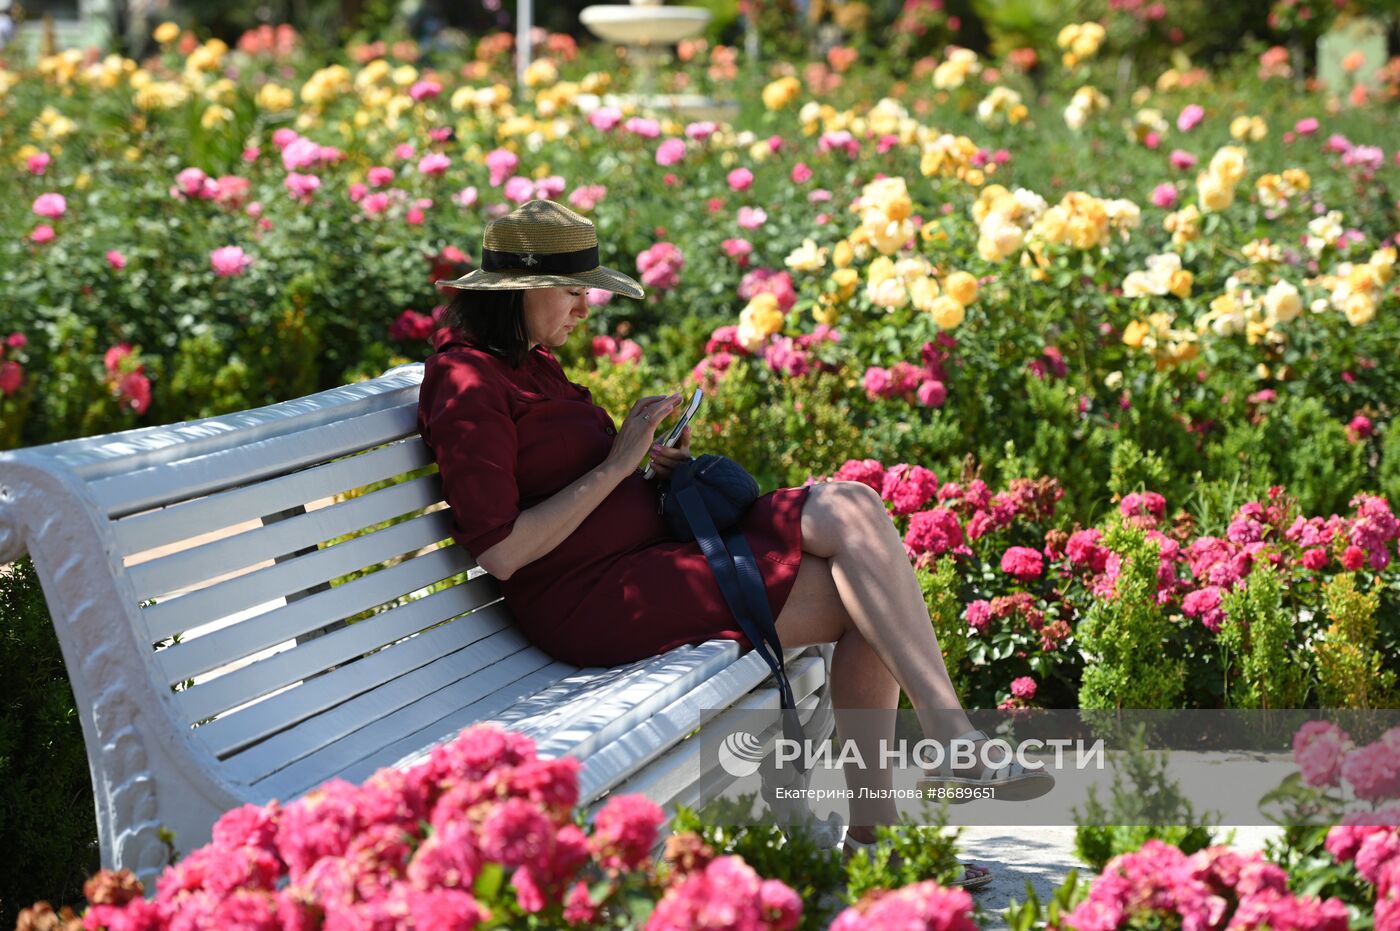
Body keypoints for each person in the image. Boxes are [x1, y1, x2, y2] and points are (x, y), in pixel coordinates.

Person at [417, 199, 1051, 887]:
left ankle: (923, 774)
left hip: (649, 557)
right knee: (869, 601)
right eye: (571, 291)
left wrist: (649, 464)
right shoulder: (467, 381)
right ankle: (908, 800)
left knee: (855, 510)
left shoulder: (529, 362)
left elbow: (571, 477)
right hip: (592, 597)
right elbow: (503, 549)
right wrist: (615, 464)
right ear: (518, 293)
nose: (583, 307)